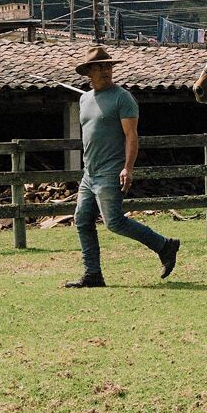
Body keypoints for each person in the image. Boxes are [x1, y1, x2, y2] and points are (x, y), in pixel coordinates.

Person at [63, 45, 180, 288]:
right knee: (82, 220)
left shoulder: (122, 98)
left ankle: (164, 246)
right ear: (88, 72)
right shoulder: (84, 100)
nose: (105, 70)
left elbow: (131, 136)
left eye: (108, 66)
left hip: (111, 171)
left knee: (114, 221)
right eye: (99, 67)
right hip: (89, 173)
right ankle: (93, 274)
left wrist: (128, 167)